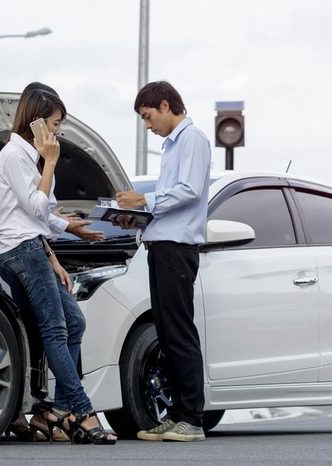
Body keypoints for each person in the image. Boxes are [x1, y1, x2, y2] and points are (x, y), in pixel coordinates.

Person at [0, 84, 116, 445]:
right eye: (56, 123)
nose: (59, 130)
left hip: (33, 247)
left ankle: (60, 409)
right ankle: (82, 411)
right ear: (37, 120)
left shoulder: (30, 156)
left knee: (74, 322)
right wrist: (51, 160)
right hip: (21, 251)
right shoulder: (15, 156)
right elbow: (34, 208)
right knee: (56, 330)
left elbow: (43, 211)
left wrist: (71, 230)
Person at [116, 81, 211, 442]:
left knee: (180, 332)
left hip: (177, 249)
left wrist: (145, 202)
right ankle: (176, 415)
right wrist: (136, 215)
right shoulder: (173, 145)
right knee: (168, 335)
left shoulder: (193, 139)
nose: (148, 125)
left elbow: (189, 190)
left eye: (148, 116)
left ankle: (192, 418)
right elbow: (170, 201)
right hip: (161, 246)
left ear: (166, 105)